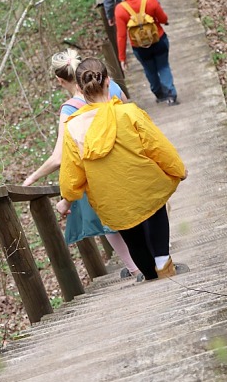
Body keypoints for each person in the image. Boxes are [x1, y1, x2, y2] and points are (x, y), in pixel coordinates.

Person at [57, 58, 187, 280]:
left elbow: (72, 172)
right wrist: (177, 169)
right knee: (155, 210)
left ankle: (148, 274)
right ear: (108, 81)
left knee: (130, 233)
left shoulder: (74, 127)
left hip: (111, 198)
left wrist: (66, 200)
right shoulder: (128, 113)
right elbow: (157, 146)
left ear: (79, 88)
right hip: (143, 185)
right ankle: (164, 264)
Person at [22, 48, 143, 280]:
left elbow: (59, 157)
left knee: (104, 218)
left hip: (98, 172)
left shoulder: (69, 109)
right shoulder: (112, 86)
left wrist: (32, 178)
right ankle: (154, 254)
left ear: (59, 80)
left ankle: (135, 267)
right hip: (128, 159)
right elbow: (132, 115)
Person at [115, 0, 179, 106]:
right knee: (163, 66)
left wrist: (122, 58)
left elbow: (121, 36)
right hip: (159, 40)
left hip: (140, 47)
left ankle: (159, 93)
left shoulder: (120, 10)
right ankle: (171, 95)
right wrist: (165, 21)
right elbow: (163, 18)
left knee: (149, 69)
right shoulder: (150, 0)